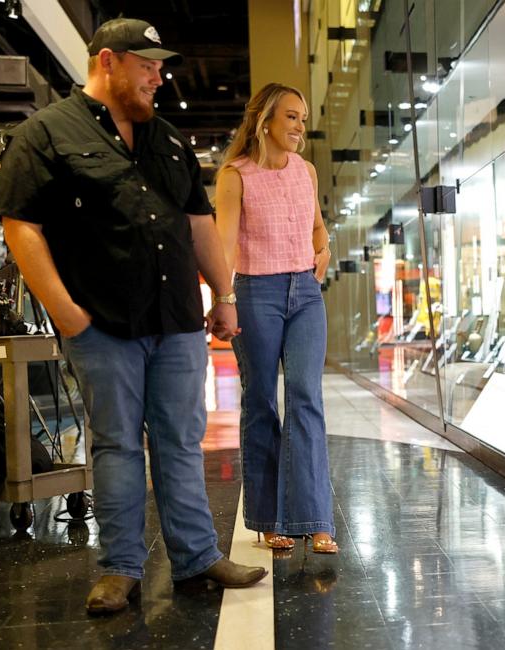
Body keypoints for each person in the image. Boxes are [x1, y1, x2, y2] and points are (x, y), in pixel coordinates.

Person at [0, 18, 267, 614]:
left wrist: (223, 294)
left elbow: (196, 223)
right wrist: (67, 313)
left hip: (176, 321)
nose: (158, 77)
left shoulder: (165, 138)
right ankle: (120, 569)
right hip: (102, 323)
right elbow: (20, 225)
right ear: (108, 61)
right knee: (116, 446)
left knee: (181, 442)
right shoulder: (46, 133)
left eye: (160, 68)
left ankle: (196, 560)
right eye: (148, 66)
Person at [214, 83, 337, 554]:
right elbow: (225, 244)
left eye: (302, 119)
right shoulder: (235, 175)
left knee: (306, 396)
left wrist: (324, 249)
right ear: (264, 120)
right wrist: (222, 296)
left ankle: (316, 518)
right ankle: (268, 519)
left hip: (305, 292)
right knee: (262, 400)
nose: (300, 127)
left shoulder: (306, 171)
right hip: (255, 292)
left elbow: (317, 226)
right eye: (291, 117)